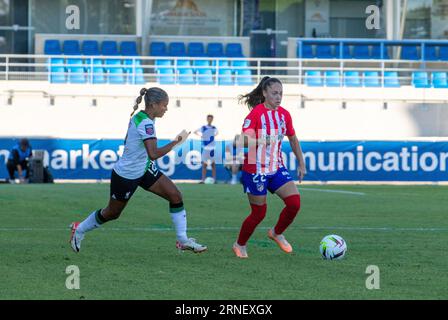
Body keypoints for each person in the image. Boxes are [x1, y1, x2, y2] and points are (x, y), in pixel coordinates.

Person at [70, 87, 207, 254]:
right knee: (112, 213)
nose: (166, 109)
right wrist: (176, 142)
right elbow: (154, 153)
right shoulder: (145, 122)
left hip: (143, 168)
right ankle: (80, 229)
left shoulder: (141, 117)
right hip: (127, 175)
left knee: (175, 195)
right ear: (154, 104)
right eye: (164, 105)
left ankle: (183, 240)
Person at [232, 76, 307, 259]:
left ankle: (276, 232)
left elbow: (293, 139)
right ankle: (240, 244)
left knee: (294, 203)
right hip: (255, 170)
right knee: (259, 213)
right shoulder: (255, 115)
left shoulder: (284, 115)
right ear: (265, 93)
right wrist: (260, 140)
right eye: (274, 93)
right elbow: (242, 141)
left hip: (276, 168)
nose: (278, 97)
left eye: (281, 93)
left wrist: (301, 163)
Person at [194, 115, 219, 183]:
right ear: (207, 119)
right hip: (205, 148)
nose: (209, 120)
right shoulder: (203, 127)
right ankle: (203, 179)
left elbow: (216, 133)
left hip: (212, 148)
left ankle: (214, 179)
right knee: (204, 164)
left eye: (211, 119)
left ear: (212, 119)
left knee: (213, 164)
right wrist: (201, 136)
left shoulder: (214, 128)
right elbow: (195, 131)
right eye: (208, 119)